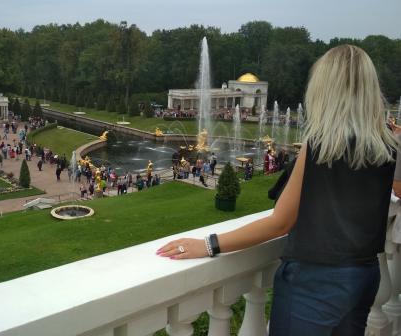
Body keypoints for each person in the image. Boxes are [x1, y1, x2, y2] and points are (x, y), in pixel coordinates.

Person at [157, 45, 399, 335]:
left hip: (315, 279)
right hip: (365, 273)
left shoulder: (320, 146)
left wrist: (209, 245)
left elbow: (280, 222)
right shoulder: (387, 145)